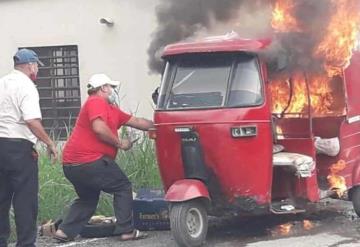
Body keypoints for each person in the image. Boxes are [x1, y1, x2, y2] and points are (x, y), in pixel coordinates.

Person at [53, 73, 154, 242]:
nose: (113, 91)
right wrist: (120, 143)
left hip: (72, 165)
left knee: (88, 198)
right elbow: (99, 128)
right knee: (122, 187)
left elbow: (136, 121)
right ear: (103, 88)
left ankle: (64, 232)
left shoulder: (111, 109)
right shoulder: (95, 101)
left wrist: (160, 125)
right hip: (89, 161)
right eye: (111, 87)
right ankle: (126, 230)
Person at [0, 49, 58, 247]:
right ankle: (25, 243)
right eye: (36, 66)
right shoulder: (27, 86)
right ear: (31, 65)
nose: (37, 71)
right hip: (19, 147)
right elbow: (31, 120)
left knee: (1, 198)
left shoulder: (2, 82)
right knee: (25, 198)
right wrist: (49, 143)